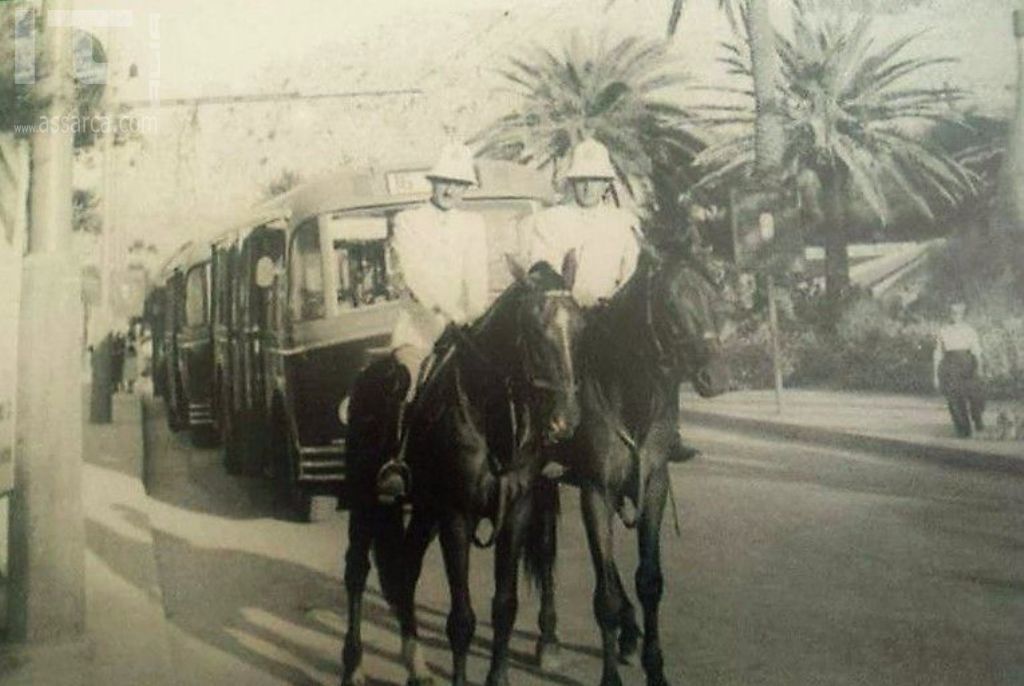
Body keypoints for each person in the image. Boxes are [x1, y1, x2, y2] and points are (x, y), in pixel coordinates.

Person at [522, 137, 701, 463]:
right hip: (569, 315)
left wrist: (616, 302)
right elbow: (542, 270)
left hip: (613, 315)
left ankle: (667, 430)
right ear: (572, 182)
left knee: (658, 354)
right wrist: (573, 300)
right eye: (581, 181)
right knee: (555, 363)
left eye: (595, 180)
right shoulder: (550, 221)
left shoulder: (624, 222)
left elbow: (631, 273)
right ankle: (549, 441)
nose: (588, 187)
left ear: (606, 184)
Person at [375, 143, 490, 502]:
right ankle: (397, 461)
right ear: (433, 182)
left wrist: (474, 314)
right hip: (420, 328)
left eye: (459, 184)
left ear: (466, 188)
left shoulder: (474, 224)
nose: (451, 190)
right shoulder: (409, 221)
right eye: (445, 182)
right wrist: (443, 310)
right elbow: (413, 274)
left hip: (462, 330)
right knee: (409, 381)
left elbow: (477, 277)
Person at [933, 301, 986, 438]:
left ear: (962, 314)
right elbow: (938, 353)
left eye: (958, 313)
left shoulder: (969, 330)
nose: (955, 315)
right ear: (949, 314)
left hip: (968, 363)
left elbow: (976, 351)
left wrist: (980, 368)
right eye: (952, 312)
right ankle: (963, 429)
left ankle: (977, 418)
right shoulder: (943, 330)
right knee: (954, 398)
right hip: (950, 364)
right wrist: (935, 375)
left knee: (975, 396)